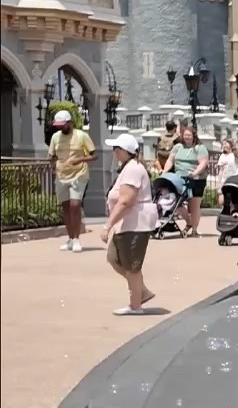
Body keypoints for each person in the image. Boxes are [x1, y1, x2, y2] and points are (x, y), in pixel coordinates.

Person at [102, 133, 156, 315]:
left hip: (135, 222)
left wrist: (108, 225)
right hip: (127, 223)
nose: (113, 152)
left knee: (132, 264)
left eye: (116, 149)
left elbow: (126, 200)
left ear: (125, 151)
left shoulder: (133, 169)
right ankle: (141, 291)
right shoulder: (128, 167)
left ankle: (136, 305)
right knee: (114, 257)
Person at [48, 109, 95, 251]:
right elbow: (51, 155)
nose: (60, 127)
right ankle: (70, 238)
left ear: (70, 123)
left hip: (79, 175)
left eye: (62, 124)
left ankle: (76, 239)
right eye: (58, 125)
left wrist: (79, 159)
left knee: (75, 205)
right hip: (62, 175)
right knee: (66, 207)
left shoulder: (82, 136)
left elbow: (93, 155)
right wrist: (51, 162)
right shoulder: (55, 137)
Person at [166, 120, 209, 235]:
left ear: (193, 136)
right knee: (174, 201)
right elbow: (170, 160)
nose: (187, 137)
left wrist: (194, 173)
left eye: (189, 135)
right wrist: (164, 172)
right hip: (179, 178)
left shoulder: (199, 148)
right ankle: (189, 222)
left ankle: (194, 230)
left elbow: (203, 163)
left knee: (194, 205)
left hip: (196, 179)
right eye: (185, 135)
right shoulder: (178, 147)